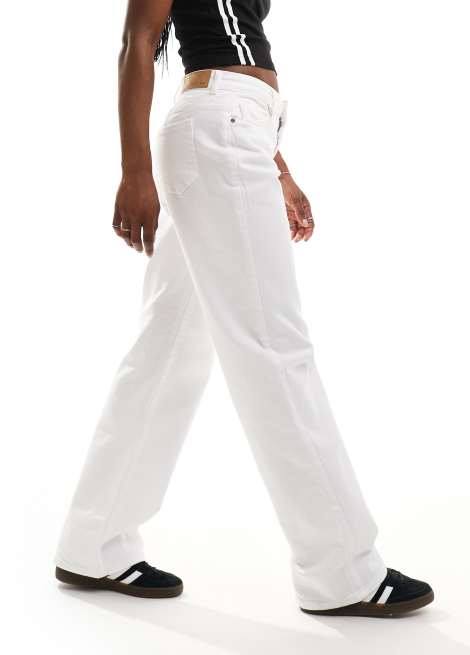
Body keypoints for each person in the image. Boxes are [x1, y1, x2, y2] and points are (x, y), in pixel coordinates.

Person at [55, 0, 434, 617]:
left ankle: (91, 543)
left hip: (236, 131)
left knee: (168, 349)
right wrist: (133, 172)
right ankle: (341, 571)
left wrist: (277, 168)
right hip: (219, 130)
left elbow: (237, 47)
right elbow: (138, 40)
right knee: (275, 348)